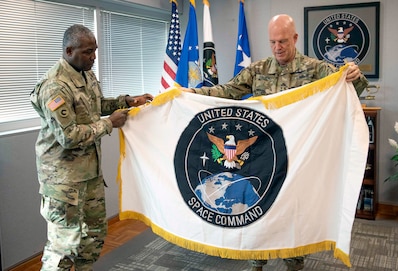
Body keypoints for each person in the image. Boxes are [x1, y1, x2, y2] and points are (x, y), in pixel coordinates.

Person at [182, 14, 368, 271]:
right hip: (262, 157)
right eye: (272, 42)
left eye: (282, 41)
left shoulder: (316, 69)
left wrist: (354, 76)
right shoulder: (259, 70)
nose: (277, 47)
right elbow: (226, 90)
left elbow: (350, 88)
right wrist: (192, 93)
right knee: (257, 208)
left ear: (294, 38)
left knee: (292, 211)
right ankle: (257, 262)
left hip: (297, 156)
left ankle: (294, 261)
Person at [30, 24, 153, 271]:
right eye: (88, 52)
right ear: (69, 50)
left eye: (95, 50)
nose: (94, 58)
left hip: (90, 174)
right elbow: (69, 136)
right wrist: (109, 124)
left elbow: (94, 106)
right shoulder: (55, 86)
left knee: (93, 236)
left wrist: (126, 101)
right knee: (63, 247)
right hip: (64, 181)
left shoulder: (85, 73)